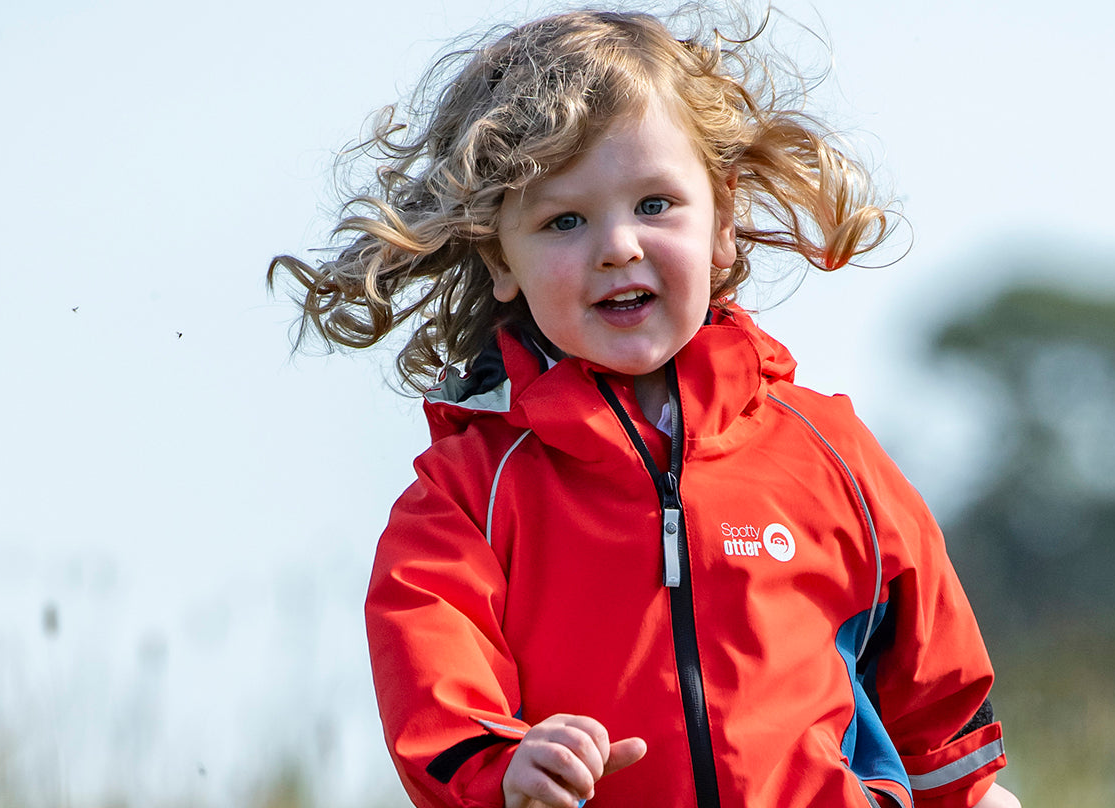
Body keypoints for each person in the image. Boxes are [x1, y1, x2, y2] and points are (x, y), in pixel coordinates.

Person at [270, 8, 1019, 808]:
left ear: (722, 222)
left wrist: (973, 796)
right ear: (500, 259)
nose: (618, 245)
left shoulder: (827, 450)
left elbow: (937, 694)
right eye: (565, 220)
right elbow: (434, 686)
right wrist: (506, 766)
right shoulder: (467, 493)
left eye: (655, 204)